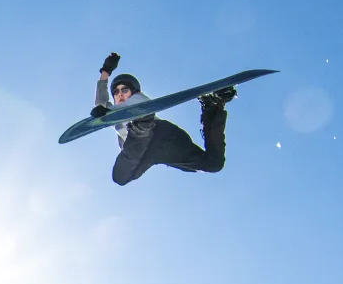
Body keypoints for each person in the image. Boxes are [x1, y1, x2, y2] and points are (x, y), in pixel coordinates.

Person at [91, 51, 236, 186]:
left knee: (137, 116)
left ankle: (142, 125)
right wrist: (105, 72)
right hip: (149, 152)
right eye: (116, 92)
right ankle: (213, 106)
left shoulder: (137, 99)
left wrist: (106, 110)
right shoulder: (111, 111)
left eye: (124, 90)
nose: (120, 94)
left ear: (133, 91)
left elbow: (113, 106)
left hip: (159, 134)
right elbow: (101, 105)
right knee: (214, 164)